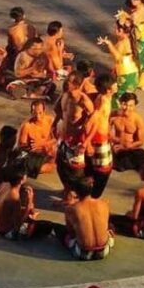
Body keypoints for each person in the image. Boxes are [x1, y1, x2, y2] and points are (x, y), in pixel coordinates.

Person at [55, 71, 94, 204]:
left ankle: (77, 199)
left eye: (69, 81)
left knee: (76, 173)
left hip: (76, 141)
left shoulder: (84, 101)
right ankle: (67, 192)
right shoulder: (64, 95)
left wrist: (86, 142)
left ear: (77, 84)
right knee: (60, 166)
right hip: (63, 138)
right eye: (66, 80)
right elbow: (58, 111)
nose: (66, 83)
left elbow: (93, 122)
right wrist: (54, 126)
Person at [53, 177, 114, 260]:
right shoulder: (104, 204)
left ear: (76, 192)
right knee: (110, 226)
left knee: (58, 229)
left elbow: (71, 233)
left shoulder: (71, 209)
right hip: (103, 251)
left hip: (82, 253)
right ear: (91, 189)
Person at [0, 168, 56, 241]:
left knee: (29, 211)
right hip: (7, 232)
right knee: (48, 225)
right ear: (21, 180)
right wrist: (30, 201)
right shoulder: (14, 198)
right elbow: (18, 225)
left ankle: (31, 217)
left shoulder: (5, 185)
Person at [83, 73, 118, 198]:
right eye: (114, 84)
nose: (116, 85)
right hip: (99, 139)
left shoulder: (106, 98)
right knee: (103, 170)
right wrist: (88, 143)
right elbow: (90, 122)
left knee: (99, 168)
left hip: (103, 138)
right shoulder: (103, 101)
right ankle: (93, 197)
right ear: (109, 89)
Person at [97, 13, 140, 106]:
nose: (115, 31)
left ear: (121, 30)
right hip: (131, 72)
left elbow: (118, 57)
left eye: (117, 29)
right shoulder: (129, 38)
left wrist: (109, 44)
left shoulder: (123, 42)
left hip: (126, 74)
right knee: (125, 97)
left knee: (119, 98)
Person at [110, 92, 144, 171]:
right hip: (117, 149)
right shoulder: (114, 116)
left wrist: (127, 147)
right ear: (120, 103)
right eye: (125, 105)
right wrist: (112, 142)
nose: (127, 108)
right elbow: (106, 132)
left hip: (131, 149)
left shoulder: (138, 120)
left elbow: (141, 141)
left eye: (131, 105)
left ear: (135, 105)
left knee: (141, 156)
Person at [17, 100, 57, 175]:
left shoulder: (50, 120)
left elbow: (58, 138)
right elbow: (21, 147)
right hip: (33, 154)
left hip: (47, 152)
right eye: (35, 113)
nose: (38, 116)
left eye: (40, 113)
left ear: (44, 111)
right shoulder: (27, 126)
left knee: (55, 153)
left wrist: (42, 144)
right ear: (31, 112)